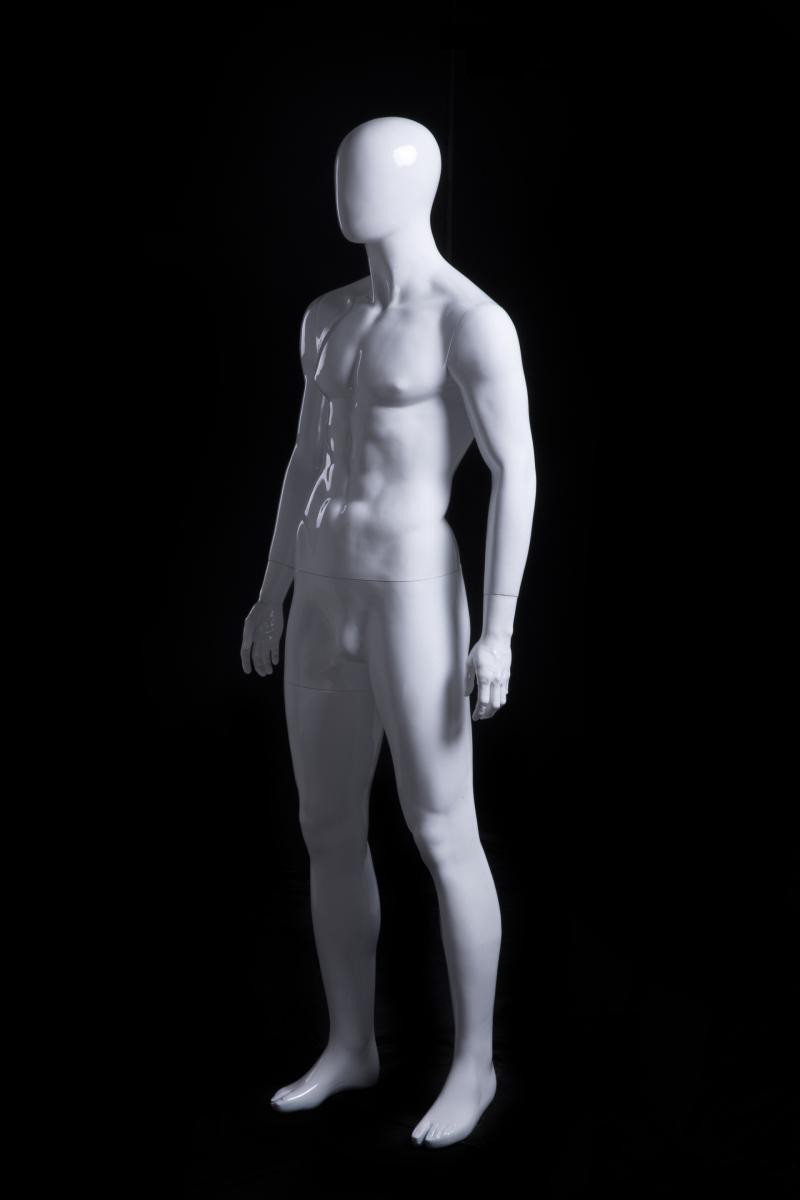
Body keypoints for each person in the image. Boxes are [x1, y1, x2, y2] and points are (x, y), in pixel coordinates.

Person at [240, 115, 536, 1148]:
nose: (348, 186)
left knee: (442, 829)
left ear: (420, 184)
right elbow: (303, 457)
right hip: (323, 583)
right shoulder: (326, 317)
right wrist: (270, 590)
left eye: (367, 170)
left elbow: (516, 470)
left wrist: (498, 629)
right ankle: (351, 1044)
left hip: (412, 586)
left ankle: (474, 1063)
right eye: (342, 169)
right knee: (325, 826)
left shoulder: (470, 322)